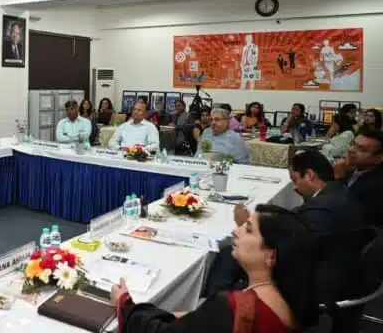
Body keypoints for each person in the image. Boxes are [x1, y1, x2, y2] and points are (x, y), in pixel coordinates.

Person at [112, 205, 319, 332]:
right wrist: (197, 317)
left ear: (271, 255)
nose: (235, 231)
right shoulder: (290, 299)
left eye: (248, 230)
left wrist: (124, 303)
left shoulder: (236, 308)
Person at [204, 151, 366, 305]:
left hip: (315, 283)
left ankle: (219, 303)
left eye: (295, 180)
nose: (294, 187)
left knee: (231, 253)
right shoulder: (340, 193)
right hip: (340, 267)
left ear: (309, 175)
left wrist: (247, 226)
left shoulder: (320, 209)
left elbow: (289, 249)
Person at [333, 128, 383, 226]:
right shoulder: (354, 168)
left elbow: (341, 212)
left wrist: (339, 178)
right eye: (353, 144)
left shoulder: (378, 185)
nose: (351, 150)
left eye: (362, 149)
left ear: (379, 158)